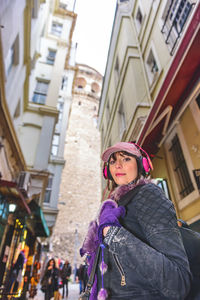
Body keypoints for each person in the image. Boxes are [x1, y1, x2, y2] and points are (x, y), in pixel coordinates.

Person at [80, 142, 192, 300]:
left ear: (142, 165)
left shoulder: (148, 195)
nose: (118, 165)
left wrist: (114, 236)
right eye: (112, 162)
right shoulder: (113, 207)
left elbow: (178, 283)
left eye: (126, 159)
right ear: (107, 171)